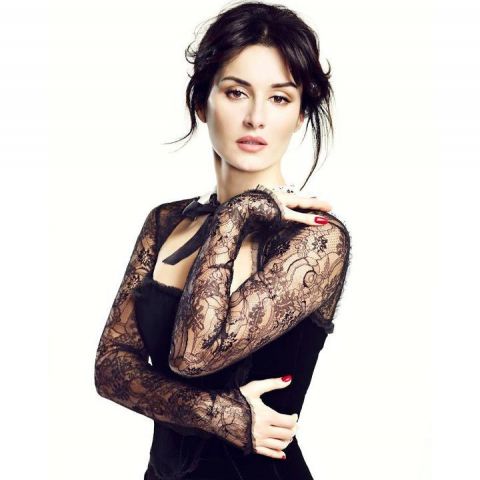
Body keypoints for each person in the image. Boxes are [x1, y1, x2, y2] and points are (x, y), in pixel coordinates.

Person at [94, 2, 352, 479]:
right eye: (236, 92)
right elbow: (110, 368)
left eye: (280, 98)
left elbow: (193, 356)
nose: (256, 118)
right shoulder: (165, 222)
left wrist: (236, 214)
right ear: (201, 101)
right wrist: (223, 415)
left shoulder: (316, 239)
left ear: (300, 114)